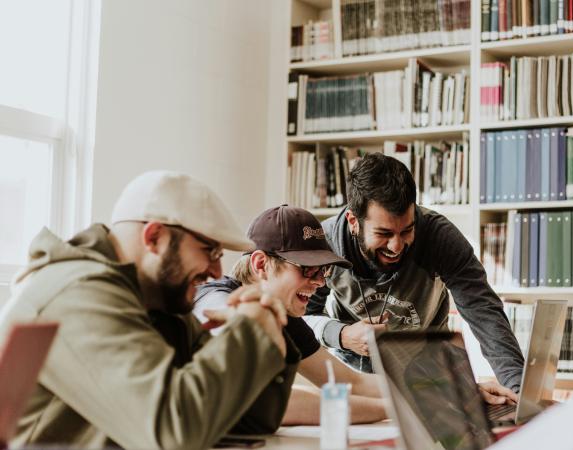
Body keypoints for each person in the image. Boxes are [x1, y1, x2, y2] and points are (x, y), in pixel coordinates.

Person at [0, 171, 297, 449]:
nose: (217, 272)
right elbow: (172, 433)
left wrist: (268, 330)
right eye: (210, 251)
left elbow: (246, 422)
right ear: (154, 237)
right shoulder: (78, 294)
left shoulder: (158, 302)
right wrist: (250, 332)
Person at [304, 152, 525, 395]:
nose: (396, 246)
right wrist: (342, 334)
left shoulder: (439, 237)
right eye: (384, 234)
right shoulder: (324, 244)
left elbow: (485, 313)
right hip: (354, 381)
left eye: (407, 230)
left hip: (429, 379)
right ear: (353, 221)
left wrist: (517, 391)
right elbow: (302, 318)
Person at [193, 204, 386, 425]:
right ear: (261, 264)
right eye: (308, 269)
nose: (320, 282)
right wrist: (392, 409)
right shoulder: (214, 300)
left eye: (323, 270)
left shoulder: (283, 315)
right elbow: (267, 400)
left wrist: (419, 392)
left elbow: (350, 383)